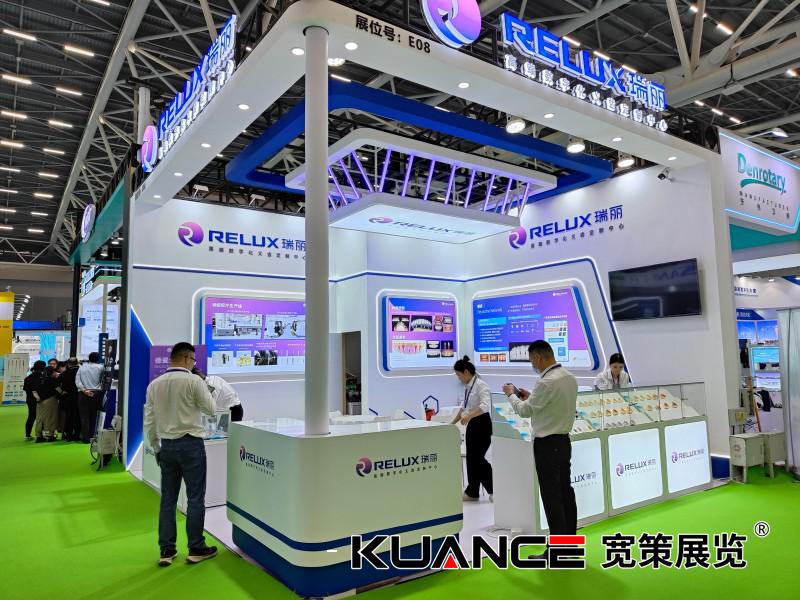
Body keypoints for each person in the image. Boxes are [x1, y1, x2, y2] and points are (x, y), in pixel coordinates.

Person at [144, 342, 218, 567]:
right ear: (186, 359)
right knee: (195, 498)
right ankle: (196, 547)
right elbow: (211, 410)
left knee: (168, 499)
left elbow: (149, 421)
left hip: (167, 445)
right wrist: (206, 386)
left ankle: (166, 549)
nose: (194, 363)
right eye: (193, 360)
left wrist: (156, 447)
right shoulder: (194, 381)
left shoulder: (154, 385)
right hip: (191, 444)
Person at [502, 340, 578, 542]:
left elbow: (524, 411)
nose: (532, 364)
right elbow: (551, 404)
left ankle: (557, 548)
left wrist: (510, 395)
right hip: (563, 442)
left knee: (552, 497)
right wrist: (531, 397)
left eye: (531, 360)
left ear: (537, 357)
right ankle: (569, 544)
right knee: (565, 492)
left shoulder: (546, 382)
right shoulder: (568, 377)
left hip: (547, 445)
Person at [451, 356, 493, 502]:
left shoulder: (481, 385)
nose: (458, 378)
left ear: (466, 372)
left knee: (478, 459)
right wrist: (452, 423)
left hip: (482, 424)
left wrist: (469, 416)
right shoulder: (467, 387)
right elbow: (464, 407)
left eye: (459, 375)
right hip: (473, 425)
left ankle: (494, 489)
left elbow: (485, 406)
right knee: (471, 459)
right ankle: (472, 491)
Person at [76, 352, 104, 443]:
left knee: (84, 417)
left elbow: (77, 381)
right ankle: (93, 436)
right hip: (96, 393)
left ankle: (85, 438)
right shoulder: (101, 367)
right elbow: (103, 381)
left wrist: (84, 390)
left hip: (83, 394)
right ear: (98, 359)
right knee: (95, 416)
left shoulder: (82, 367)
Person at [35, 367, 62, 443]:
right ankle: (51, 435)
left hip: (40, 402)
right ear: (52, 373)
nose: (55, 373)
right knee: (52, 417)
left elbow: (34, 391)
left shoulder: (40, 380)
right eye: (54, 372)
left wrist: (38, 398)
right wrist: (63, 393)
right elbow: (58, 389)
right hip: (51, 400)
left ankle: (39, 436)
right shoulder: (52, 380)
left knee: (40, 418)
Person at [23, 361, 46, 441]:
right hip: (40, 400)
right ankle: (40, 435)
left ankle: (27, 435)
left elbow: (25, 389)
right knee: (41, 418)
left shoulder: (28, 378)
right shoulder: (42, 377)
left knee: (31, 417)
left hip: (30, 400)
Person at [60, 358, 81, 441]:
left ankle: (68, 435)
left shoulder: (64, 373)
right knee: (78, 416)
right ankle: (77, 435)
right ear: (78, 363)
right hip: (79, 396)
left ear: (68, 364)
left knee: (69, 416)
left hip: (68, 397)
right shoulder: (81, 372)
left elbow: (61, 386)